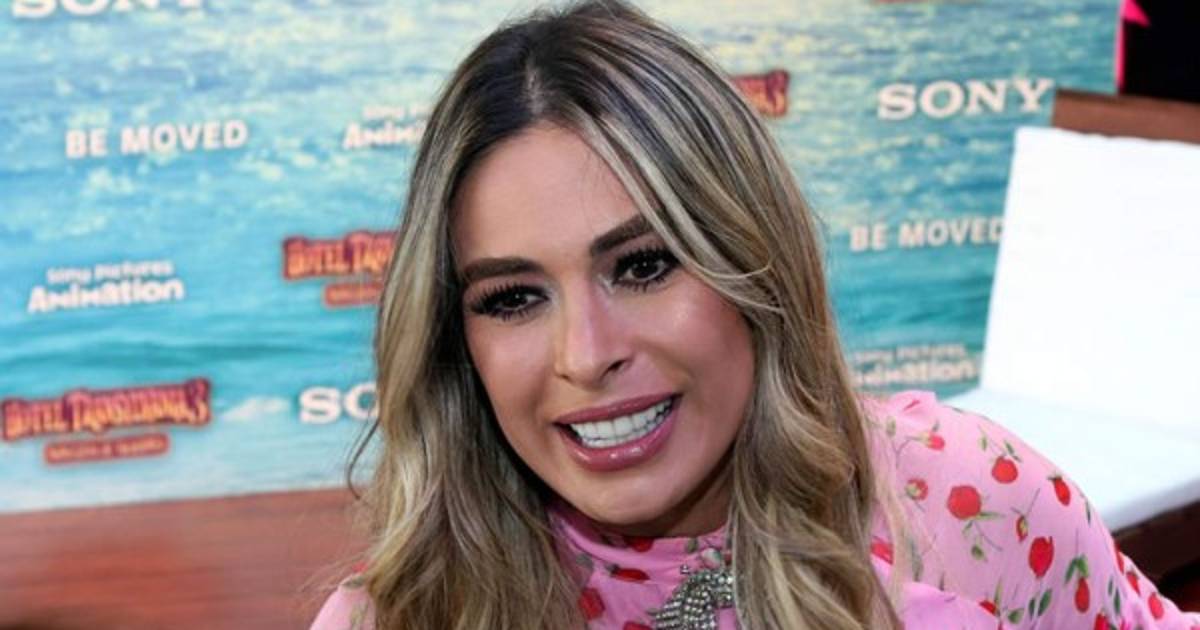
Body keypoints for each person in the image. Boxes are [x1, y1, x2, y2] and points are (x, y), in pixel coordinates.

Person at [311, 1, 1200, 628]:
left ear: (755, 260)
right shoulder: (401, 616)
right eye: (512, 298)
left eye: (645, 265)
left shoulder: (969, 502)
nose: (584, 353)